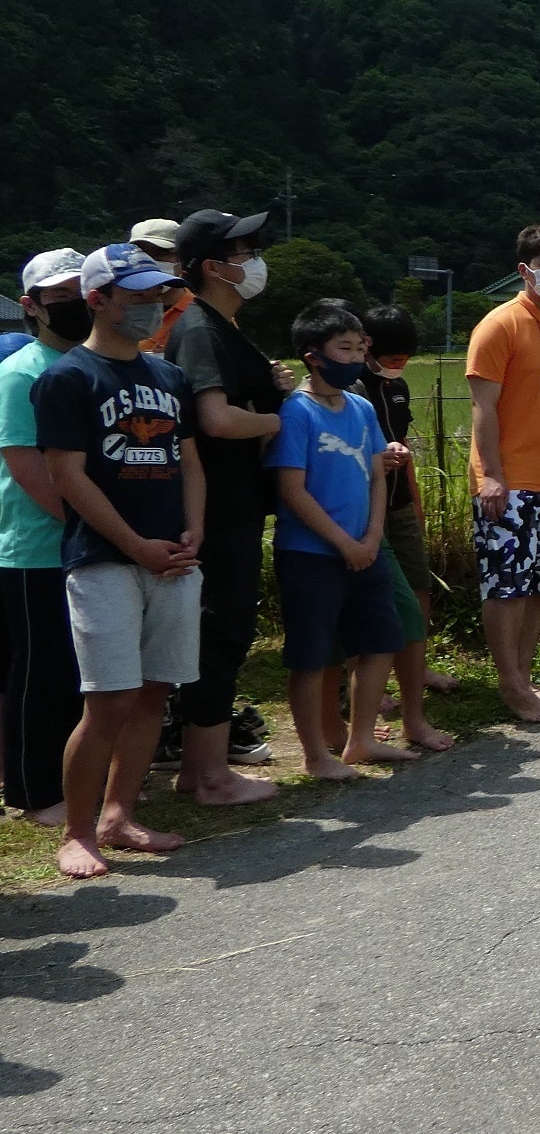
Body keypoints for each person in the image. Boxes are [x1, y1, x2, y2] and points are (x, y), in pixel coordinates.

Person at [32, 245, 204, 880]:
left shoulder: (168, 377)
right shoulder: (68, 378)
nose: (150, 308)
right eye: (136, 298)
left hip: (176, 558)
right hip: (104, 560)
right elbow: (67, 477)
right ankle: (78, 832)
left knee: (156, 688)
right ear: (97, 299)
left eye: (158, 296)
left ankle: (120, 813)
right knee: (108, 698)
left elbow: (189, 461)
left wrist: (194, 531)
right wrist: (135, 545)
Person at [163, 208, 283, 806]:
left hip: (228, 504)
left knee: (219, 629)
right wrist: (276, 419)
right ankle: (208, 775)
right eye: (245, 250)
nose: (256, 259)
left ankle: (199, 768)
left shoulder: (220, 327)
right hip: (218, 508)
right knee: (219, 631)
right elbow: (214, 417)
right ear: (212, 267)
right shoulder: (203, 330)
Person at [268, 299, 407, 778]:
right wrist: (343, 544)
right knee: (311, 655)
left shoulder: (363, 407)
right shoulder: (295, 412)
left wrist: (370, 536)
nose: (353, 358)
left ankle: (361, 739)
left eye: (358, 348)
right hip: (310, 553)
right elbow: (292, 489)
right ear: (313, 355)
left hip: (365, 546)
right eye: (343, 349)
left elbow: (375, 476)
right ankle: (314, 755)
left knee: (381, 639)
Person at [465, 225, 540, 723]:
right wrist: (491, 474)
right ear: (525, 270)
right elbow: (483, 408)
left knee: (538, 585)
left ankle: (525, 677)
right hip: (507, 480)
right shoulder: (499, 325)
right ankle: (510, 685)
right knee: (506, 585)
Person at [0, 249, 86, 826]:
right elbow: (26, 464)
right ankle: (33, 793)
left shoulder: (88, 365)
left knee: (76, 670)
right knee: (37, 671)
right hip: (32, 545)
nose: (76, 305)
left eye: (84, 292)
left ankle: (68, 780)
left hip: (81, 541)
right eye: (62, 297)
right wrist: (91, 521)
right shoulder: (22, 372)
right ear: (32, 307)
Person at [357, 304, 455, 752]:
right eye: (393, 358)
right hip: (359, 509)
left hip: (397, 504)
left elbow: (405, 453)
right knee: (369, 600)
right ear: (369, 348)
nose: (399, 366)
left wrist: (413, 502)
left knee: (419, 586)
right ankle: (359, 687)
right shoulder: (355, 389)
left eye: (405, 359)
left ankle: (417, 666)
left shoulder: (397, 391)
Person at [128, 218, 191, 356]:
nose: (150, 261)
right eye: (141, 254)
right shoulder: (119, 308)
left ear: (182, 257)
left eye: (160, 253)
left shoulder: (204, 312)